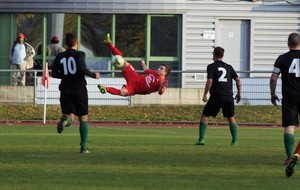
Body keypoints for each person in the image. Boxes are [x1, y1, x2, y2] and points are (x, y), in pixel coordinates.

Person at [51, 32, 100, 154]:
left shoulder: (60, 56)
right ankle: (83, 147)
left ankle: (64, 121)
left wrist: (66, 75)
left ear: (65, 43)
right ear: (76, 43)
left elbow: (54, 74)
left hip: (65, 89)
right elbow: (82, 68)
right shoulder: (80, 54)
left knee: (70, 115)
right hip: (79, 89)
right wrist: (94, 75)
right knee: (83, 118)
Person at [195, 46, 241, 146]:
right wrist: (239, 93)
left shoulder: (211, 67)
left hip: (216, 95)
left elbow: (210, 80)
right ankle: (234, 141)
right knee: (231, 117)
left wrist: (205, 94)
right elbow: (238, 79)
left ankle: (201, 139)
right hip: (228, 95)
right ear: (222, 55)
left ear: (214, 55)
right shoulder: (229, 67)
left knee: (205, 115)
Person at [97, 33, 171, 96]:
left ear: (165, 73)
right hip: (134, 77)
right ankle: (109, 43)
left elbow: (161, 93)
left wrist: (161, 87)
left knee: (123, 92)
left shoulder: (163, 82)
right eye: (159, 67)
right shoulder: (155, 73)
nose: (158, 69)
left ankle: (105, 88)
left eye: (161, 69)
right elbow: (147, 70)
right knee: (123, 61)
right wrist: (143, 64)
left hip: (134, 89)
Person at [270, 33, 300, 167]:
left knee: (289, 127)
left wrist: (272, 94)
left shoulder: (282, 59)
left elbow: (273, 78)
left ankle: (289, 157)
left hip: (289, 97)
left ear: (288, 43)